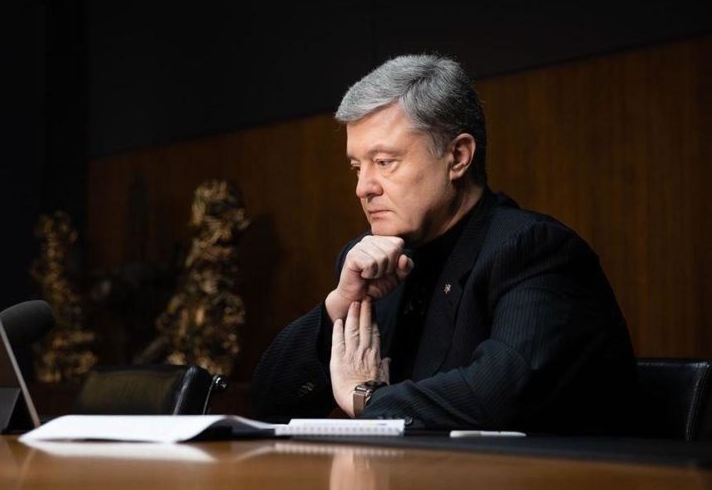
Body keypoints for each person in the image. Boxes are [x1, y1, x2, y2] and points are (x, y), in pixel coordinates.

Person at [251, 54, 636, 433]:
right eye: (356, 167)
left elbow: (498, 397)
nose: (363, 188)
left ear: (458, 157)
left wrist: (366, 397)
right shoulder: (370, 262)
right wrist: (339, 304)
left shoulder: (532, 249)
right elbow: (270, 403)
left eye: (384, 162)